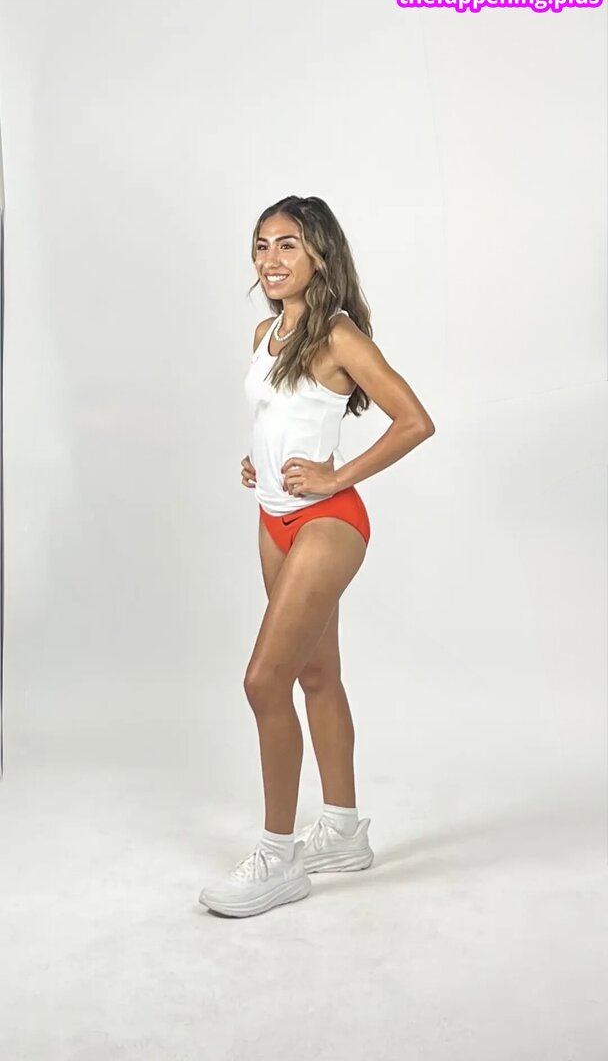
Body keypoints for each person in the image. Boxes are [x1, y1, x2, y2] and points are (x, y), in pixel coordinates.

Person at [198, 195, 435, 917]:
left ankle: (277, 858)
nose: (270, 259)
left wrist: (335, 477)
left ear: (320, 255)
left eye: (288, 245)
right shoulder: (266, 332)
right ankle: (342, 831)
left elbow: (414, 421)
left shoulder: (338, 335)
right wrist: (260, 461)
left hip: (328, 522)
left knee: (262, 681)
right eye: (261, 245)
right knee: (315, 674)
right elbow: (279, 414)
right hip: (273, 519)